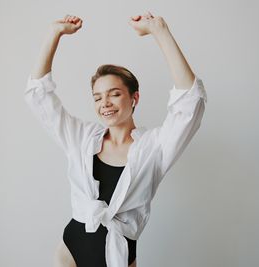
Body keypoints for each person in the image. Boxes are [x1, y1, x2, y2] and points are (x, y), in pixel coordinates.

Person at [24, 12, 207, 267]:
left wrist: (160, 31)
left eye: (114, 94)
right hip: (69, 254)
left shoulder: (153, 148)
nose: (105, 103)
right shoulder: (82, 138)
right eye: (98, 97)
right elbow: (38, 97)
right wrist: (54, 34)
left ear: (134, 98)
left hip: (118, 256)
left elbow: (191, 104)